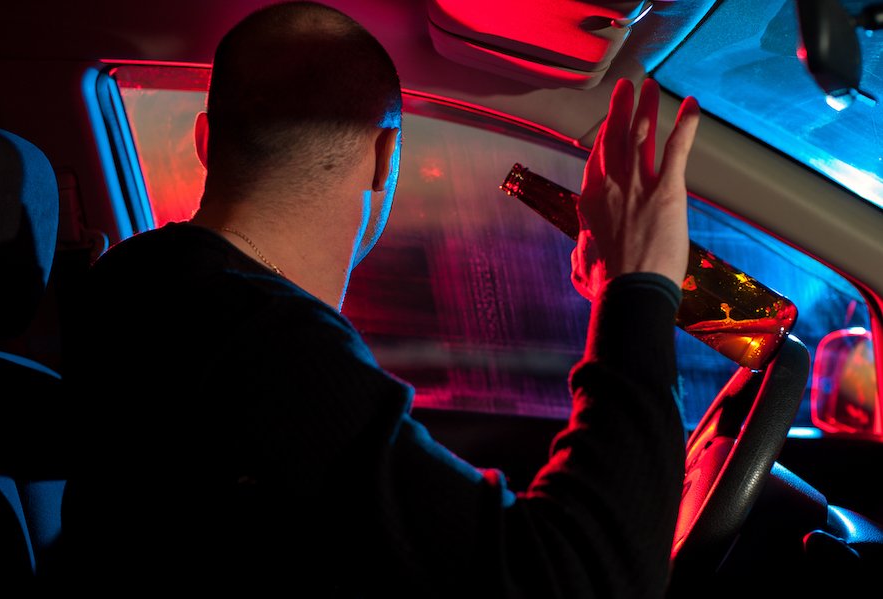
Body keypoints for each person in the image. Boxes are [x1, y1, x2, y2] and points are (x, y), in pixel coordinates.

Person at [54, 1, 700, 597]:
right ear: (385, 157)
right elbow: (584, 578)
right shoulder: (271, 350)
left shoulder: (128, 286)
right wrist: (636, 287)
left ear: (204, 143)